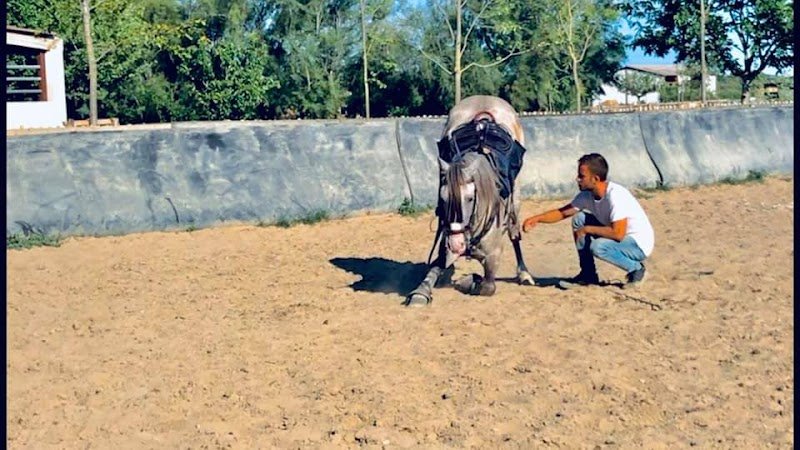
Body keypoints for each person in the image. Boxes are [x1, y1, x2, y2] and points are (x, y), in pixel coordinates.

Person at [522, 153, 654, 289]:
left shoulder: (615, 196)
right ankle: (588, 275)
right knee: (579, 219)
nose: (577, 179)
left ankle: (637, 269)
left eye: (581, 176)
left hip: (638, 245)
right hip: (622, 236)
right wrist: (537, 219)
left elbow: (618, 234)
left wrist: (588, 229)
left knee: (598, 247)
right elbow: (562, 213)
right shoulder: (587, 195)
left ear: (595, 179)